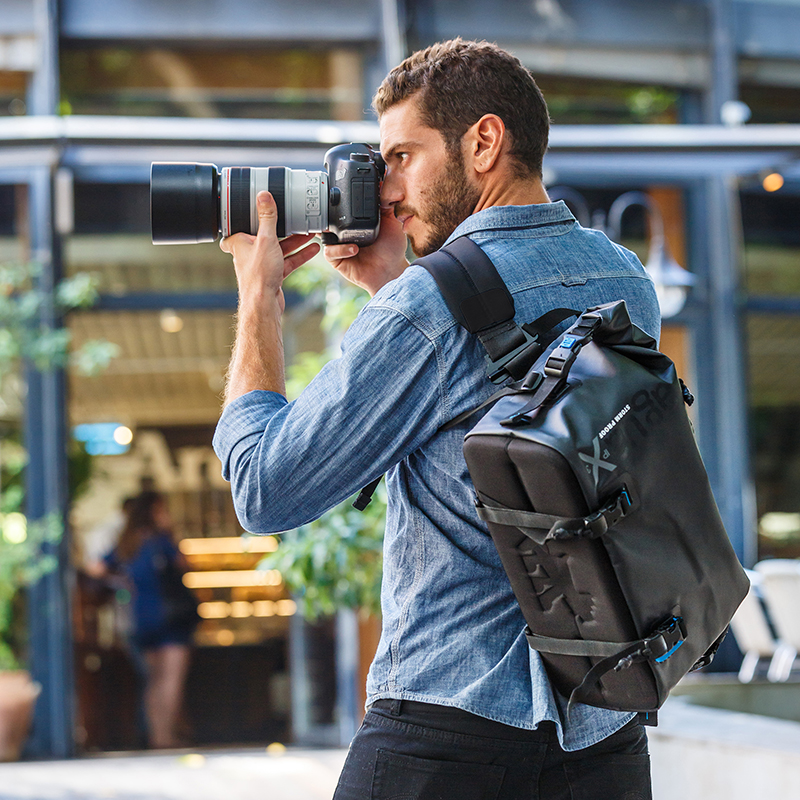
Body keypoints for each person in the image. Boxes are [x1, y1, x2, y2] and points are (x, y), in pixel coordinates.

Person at [213, 38, 660, 799]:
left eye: (401, 157)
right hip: (602, 729)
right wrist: (396, 288)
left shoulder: (425, 312)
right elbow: (499, 386)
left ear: (483, 142)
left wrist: (260, 297)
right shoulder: (626, 277)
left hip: (449, 723)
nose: (386, 190)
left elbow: (265, 489)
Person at [99, 490, 196, 749]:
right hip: (171, 618)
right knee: (171, 679)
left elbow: (96, 567)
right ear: (154, 512)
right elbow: (184, 564)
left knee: (153, 681)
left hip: (140, 618)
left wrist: (121, 582)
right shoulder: (162, 540)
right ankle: (168, 736)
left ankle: (158, 737)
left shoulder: (127, 543)